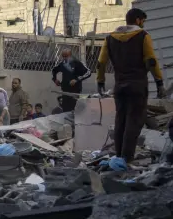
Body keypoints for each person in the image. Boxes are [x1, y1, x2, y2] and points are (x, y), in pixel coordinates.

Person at [97, 8, 164, 166]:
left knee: (120, 120)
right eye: (143, 21)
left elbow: (101, 62)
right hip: (137, 85)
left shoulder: (110, 38)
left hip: (119, 86)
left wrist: (100, 81)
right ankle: (127, 158)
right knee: (134, 121)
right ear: (139, 20)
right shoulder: (143, 36)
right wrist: (159, 82)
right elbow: (151, 61)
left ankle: (118, 156)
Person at [51, 48, 90, 112]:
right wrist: (55, 79)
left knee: (75, 110)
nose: (64, 58)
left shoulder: (77, 63)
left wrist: (76, 80)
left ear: (70, 56)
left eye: (66, 56)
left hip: (75, 92)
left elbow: (88, 73)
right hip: (65, 92)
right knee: (66, 110)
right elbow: (54, 70)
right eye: (63, 57)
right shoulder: (62, 64)